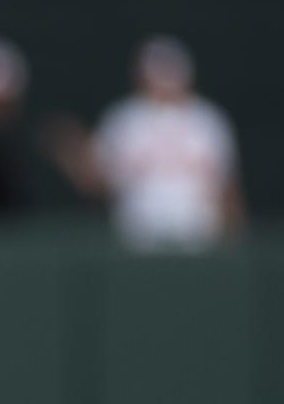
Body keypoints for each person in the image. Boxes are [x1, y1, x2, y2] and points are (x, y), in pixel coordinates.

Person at [86, 35, 245, 252]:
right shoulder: (123, 118)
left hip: (198, 234)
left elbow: (227, 187)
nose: (164, 80)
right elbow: (98, 181)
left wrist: (234, 234)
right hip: (137, 234)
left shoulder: (207, 119)